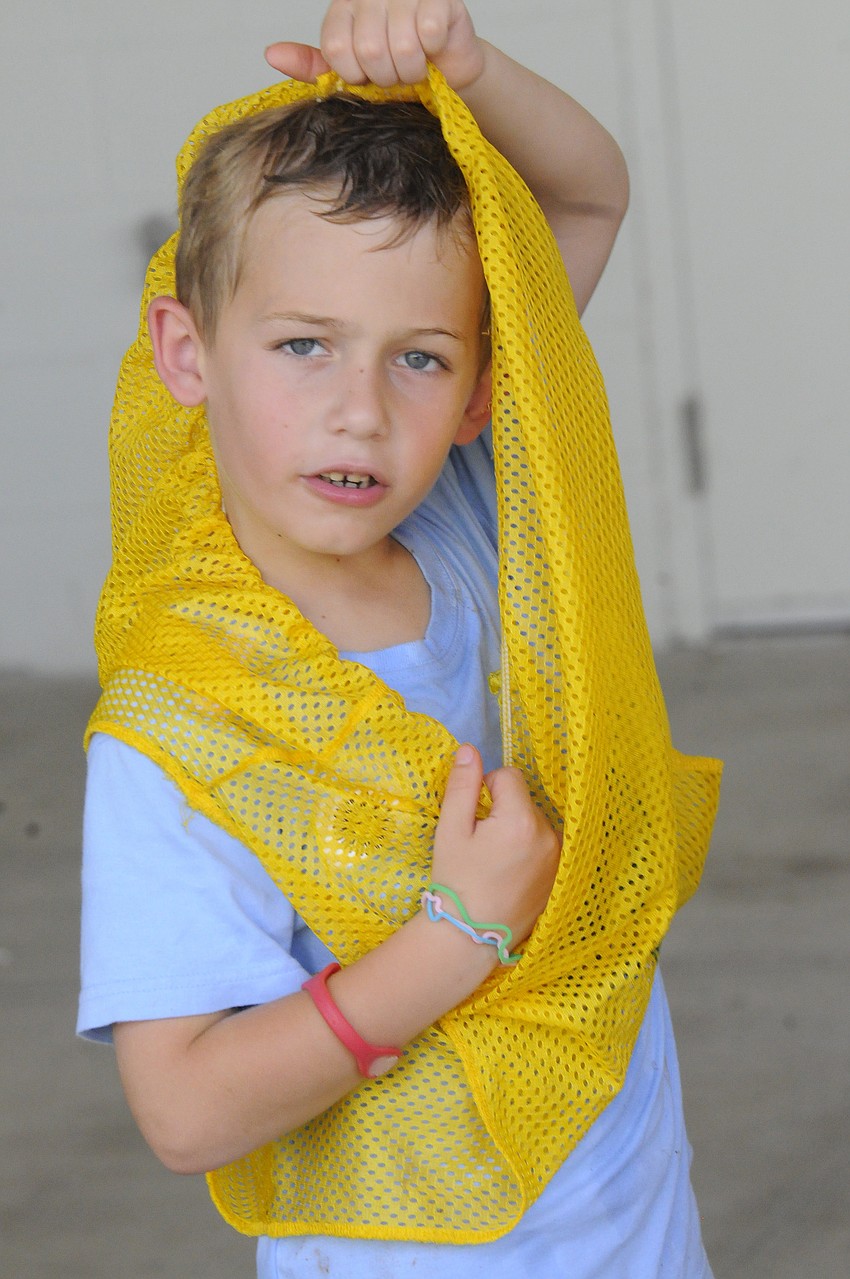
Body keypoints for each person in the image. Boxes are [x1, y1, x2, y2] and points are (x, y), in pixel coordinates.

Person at [78, 2, 722, 1275]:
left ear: (481, 387)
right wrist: (457, 935)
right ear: (186, 353)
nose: (360, 412)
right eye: (302, 345)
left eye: (418, 359)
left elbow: (584, 197)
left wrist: (466, 73)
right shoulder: (179, 726)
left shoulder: (461, 513)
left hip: (631, 1217)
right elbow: (187, 1108)